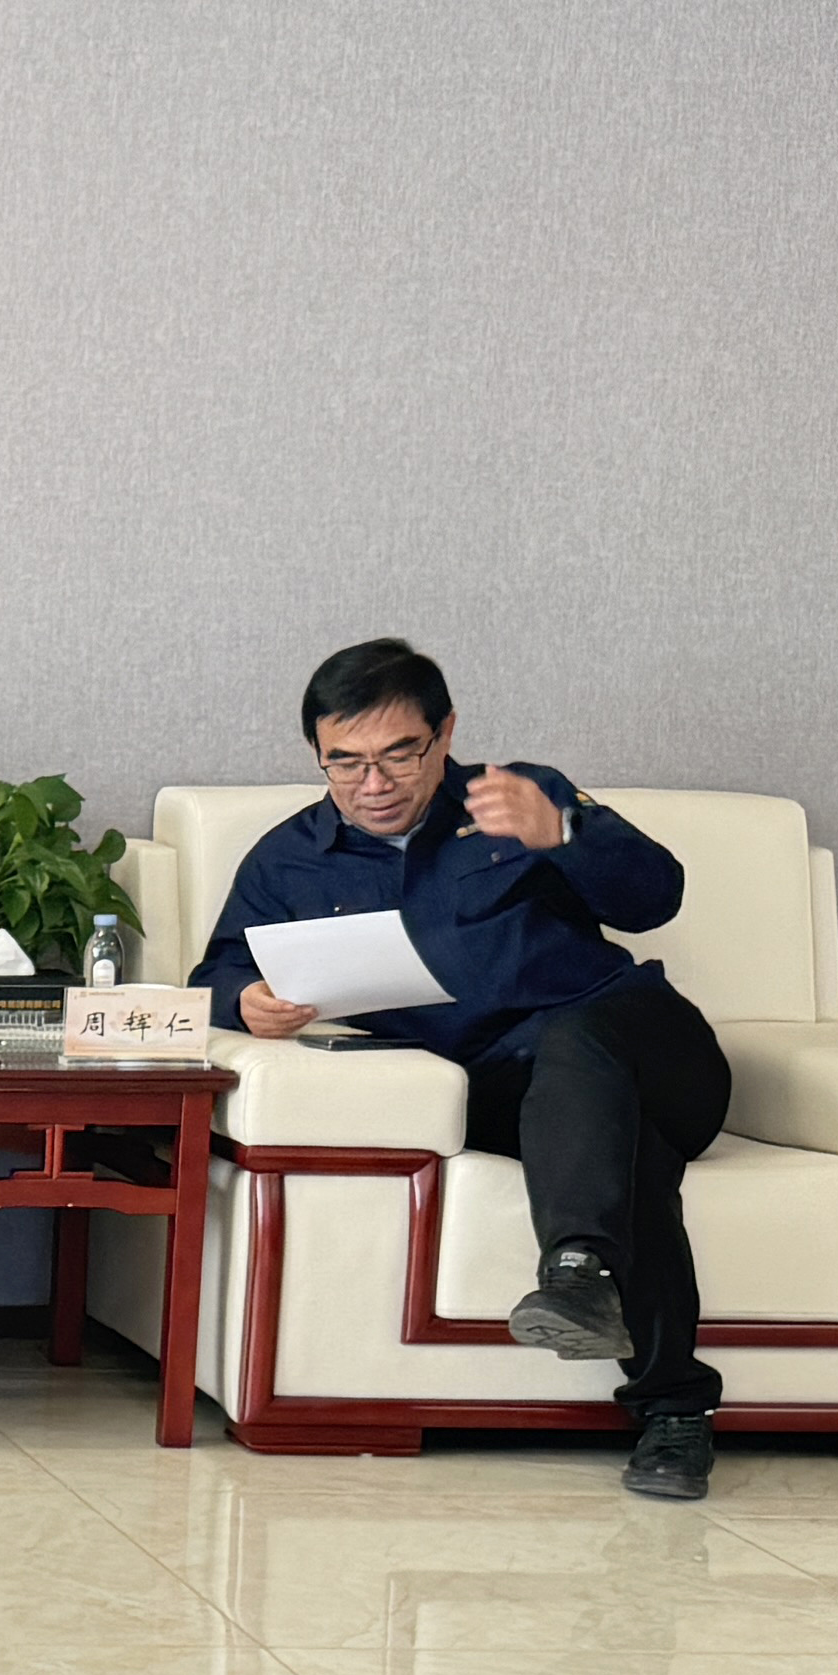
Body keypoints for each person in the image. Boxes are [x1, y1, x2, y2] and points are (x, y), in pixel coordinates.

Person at [194, 637, 728, 1500]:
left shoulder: (519, 798)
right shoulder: (287, 860)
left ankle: (586, 1280)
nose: (373, 784)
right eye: (345, 762)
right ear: (317, 755)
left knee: (583, 1046)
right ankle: (666, 1399)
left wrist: (566, 833)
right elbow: (214, 975)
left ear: (445, 734)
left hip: (653, 1051)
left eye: (399, 754)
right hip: (510, 1099)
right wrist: (246, 1001)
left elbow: (655, 897)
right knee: (620, 1148)